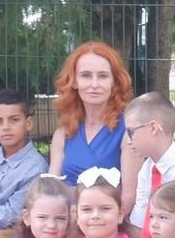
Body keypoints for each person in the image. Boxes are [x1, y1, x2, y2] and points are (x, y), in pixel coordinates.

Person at [120, 91, 175, 238]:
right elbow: (138, 223)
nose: (128, 141)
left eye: (131, 132)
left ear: (153, 128)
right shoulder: (147, 168)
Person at [47, 41, 130, 186]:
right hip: (64, 201)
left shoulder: (129, 132)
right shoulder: (63, 133)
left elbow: (130, 194)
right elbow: (50, 189)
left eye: (103, 76)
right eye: (86, 75)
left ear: (114, 82)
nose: (94, 84)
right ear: (74, 81)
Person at [0, 88, 49, 234]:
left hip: (13, 235)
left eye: (14, 120)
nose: (6, 127)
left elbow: (13, 214)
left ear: (28, 123)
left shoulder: (35, 168)